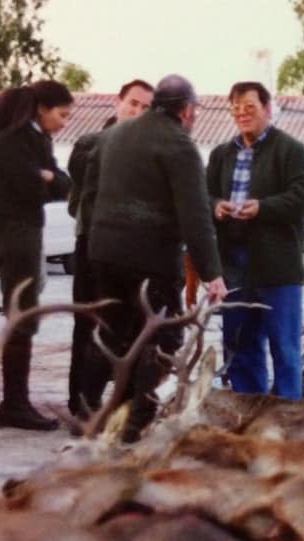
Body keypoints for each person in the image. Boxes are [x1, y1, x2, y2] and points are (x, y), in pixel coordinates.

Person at [86, 74, 227, 442]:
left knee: (113, 335)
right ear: (186, 109)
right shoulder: (179, 146)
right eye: (194, 111)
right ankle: (136, 424)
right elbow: (195, 216)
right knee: (161, 340)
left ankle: (98, 413)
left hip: (104, 254)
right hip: (151, 260)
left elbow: (89, 194)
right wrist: (212, 273)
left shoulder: (115, 135)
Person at [207, 80, 304, 400]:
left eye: (250, 108)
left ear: (268, 110)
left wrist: (264, 208)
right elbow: (203, 194)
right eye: (236, 109)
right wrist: (216, 205)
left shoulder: (291, 150)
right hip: (234, 264)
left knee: (284, 346)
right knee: (240, 345)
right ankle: (249, 410)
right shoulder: (221, 154)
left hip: (277, 265)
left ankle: (286, 416)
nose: (242, 115)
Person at [0, 80, 74, 431]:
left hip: (23, 230)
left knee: (25, 315)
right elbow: (33, 188)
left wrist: (49, 176)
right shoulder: (10, 140)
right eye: (62, 114)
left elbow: (64, 184)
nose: (64, 122)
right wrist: (48, 178)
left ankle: (16, 401)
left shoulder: (33, 139)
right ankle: (14, 404)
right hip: (13, 232)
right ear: (42, 109)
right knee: (22, 316)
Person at [65, 78, 153, 417]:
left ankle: (121, 403)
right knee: (87, 323)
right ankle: (79, 402)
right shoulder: (90, 143)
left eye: (146, 108)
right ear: (118, 102)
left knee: (127, 328)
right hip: (90, 246)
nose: (137, 112)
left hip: (132, 252)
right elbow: (81, 174)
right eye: (133, 103)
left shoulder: (150, 150)